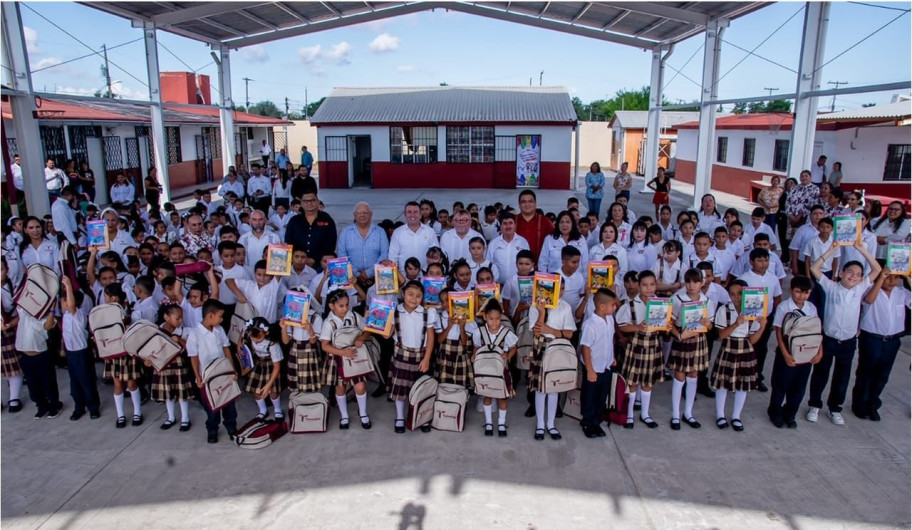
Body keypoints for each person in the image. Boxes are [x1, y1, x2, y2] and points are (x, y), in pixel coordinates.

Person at [806, 240, 881, 426]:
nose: (854, 277)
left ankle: (835, 408)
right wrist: (834, 249)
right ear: (840, 273)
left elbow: (877, 269)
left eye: (858, 275)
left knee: (842, 376)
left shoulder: (860, 288)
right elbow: (815, 268)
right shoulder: (831, 287)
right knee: (820, 373)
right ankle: (814, 405)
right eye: (850, 273)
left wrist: (861, 249)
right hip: (828, 339)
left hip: (847, 342)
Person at [851, 264, 909, 422]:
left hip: (892, 340)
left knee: (882, 375)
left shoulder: (901, 293)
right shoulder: (871, 290)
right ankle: (859, 405)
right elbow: (869, 301)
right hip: (872, 339)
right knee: (865, 373)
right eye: (888, 277)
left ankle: (873, 405)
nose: (891, 281)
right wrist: (881, 277)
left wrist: (908, 276)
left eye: (896, 277)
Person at [710, 280, 766, 432]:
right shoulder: (724, 310)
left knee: (743, 384)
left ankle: (736, 416)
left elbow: (753, 339)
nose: (736, 298)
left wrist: (762, 327)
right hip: (729, 346)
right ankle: (720, 415)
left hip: (745, 348)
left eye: (740, 294)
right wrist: (736, 323)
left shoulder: (754, 310)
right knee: (723, 383)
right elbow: (721, 335)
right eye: (732, 294)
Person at [767, 276, 821, 429]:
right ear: (791, 290)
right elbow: (778, 331)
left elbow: (816, 331)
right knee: (780, 385)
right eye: (798, 292)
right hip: (787, 352)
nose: (801, 296)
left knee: (799, 388)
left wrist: (819, 352)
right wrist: (785, 354)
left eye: (805, 293)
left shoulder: (811, 308)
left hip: (806, 354)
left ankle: (790, 415)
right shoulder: (784, 307)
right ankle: (775, 413)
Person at [668, 268, 715, 430]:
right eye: (688, 281)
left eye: (695, 281)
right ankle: (675, 414)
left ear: (702, 283)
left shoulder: (707, 301)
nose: (691, 285)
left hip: (698, 339)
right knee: (679, 375)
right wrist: (679, 336)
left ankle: (688, 413)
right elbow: (670, 323)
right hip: (683, 338)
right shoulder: (678, 299)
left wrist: (707, 324)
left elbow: (710, 325)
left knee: (693, 374)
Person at [320, 289, 373, 430]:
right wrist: (342, 352)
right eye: (341, 306)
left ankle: (362, 413)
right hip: (338, 357)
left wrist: (362, 338)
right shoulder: (328, 322)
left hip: (354, 355)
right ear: (331, 306)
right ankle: (344, 415)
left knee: (360, 386)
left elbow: (367, 329)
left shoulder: (354, 316)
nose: (345, 309)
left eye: (346, 305)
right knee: (340, 387)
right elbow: (324, 345)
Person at [528, 284, 576, 438]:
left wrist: (551, 331)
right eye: (556, 289)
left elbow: (569, 334)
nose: (559, 292)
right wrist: (542, 312)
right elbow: (536, 331)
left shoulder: (565, 307)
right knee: (541, 389)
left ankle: (551, 424)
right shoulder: (535, 306)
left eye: (562, 288)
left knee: (554, 387)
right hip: (540, 347)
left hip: (557, 347)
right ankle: (540, 424)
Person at [187, 299, 238, 443]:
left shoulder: (219, 330)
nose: (221, 319)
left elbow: (226, 349)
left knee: (229, 404)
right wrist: (197, 376)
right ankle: (212, 429)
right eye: (220, 316)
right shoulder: (195, 334)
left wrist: (232, 369)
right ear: (210, 315)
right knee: (212, 408)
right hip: (207, 377)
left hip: (223, 373)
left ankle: (231, 427)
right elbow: (194, 357)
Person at [737, 248, 782, 392]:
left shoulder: (773, 278)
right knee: (744, 348)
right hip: (747, 320)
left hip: (765, 319)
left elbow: (777, 298)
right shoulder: (744, 278)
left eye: (766, 260)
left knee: (762, 348)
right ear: (751, 262)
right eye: (759, 260)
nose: (763, 264)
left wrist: (775, 317)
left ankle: (757, 376)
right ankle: (740, 377)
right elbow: (737, 300)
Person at [472, 299, 518, 438]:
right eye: (491, 319)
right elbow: (476, 347)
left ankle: (501, 423)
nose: (494, 322)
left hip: (501, 371)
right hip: (485, 371)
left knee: (502, 398)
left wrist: (508, 355)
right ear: (485, 317)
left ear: (501, 318)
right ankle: (488, 423)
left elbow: (514, 347)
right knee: (488, 396)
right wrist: (474, 355)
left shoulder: (506, 332)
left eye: (497, 319)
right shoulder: (479, 332)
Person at [579, 288, 618, 438]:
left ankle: (596, 421)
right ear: (602, 306)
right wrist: (590, 369)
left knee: (602, 396)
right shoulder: (590, 324)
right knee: (590, 396)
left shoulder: (610, 319)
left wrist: (612, 356)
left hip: (606, 365)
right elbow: (586, 347)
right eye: (612, 305)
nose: (615, 308)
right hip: (593, 367)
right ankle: (587, 422)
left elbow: (610, 340)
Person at [152, 303, 193, 431]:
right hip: (164, 365)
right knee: (167, 393)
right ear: (166, 317)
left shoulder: (184, 331)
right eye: (177, 318)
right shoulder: (157, 331)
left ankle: (185, 419)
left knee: (182, 393)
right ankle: (171, 417)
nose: (180, 321)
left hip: (179, 365)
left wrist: (180, 340)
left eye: (181, 318)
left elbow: (191, 348)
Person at [240, 317, 285, 421]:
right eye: (252, 337)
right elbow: (242, 334)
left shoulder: (273, 345)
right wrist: (239, 344)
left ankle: (277, 409)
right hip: (258, 365)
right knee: (256, 391)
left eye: (259, 337)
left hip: (271, 367)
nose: (255, 340)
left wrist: (269, 384)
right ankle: (263, 410)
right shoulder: (248, 335)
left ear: (266, 333)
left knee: (273, 391)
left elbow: (277, 366)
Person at [285, 189, 338, 271]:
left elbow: (331, 243)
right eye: (306, 201)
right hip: (298, 264)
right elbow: (288, 242)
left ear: (318, 202)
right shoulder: (294, 221)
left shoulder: (327, 219)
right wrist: (301, 259)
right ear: (301, 203)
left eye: (312, 200)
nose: (309, 203)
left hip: (320, 264)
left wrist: (314, 259)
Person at [280, 298, 324, 393]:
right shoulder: (289, 317)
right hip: (295, 349)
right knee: (295, 381)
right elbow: (286, 341)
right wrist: (283, 328)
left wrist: (310, 329)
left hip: (310, 350)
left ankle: (312, 403)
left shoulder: (314, 317)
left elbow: (313, 342)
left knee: (311, 380)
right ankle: (298, 403)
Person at [388, 202, 439, 276]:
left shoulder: (430, 231)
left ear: (420, 215)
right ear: (405, 215)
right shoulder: (397, 232)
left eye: (415, 212)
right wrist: (397, 276)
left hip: (425, 275)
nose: (412, 215)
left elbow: (435, 255)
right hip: (404, 276)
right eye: (409, 212)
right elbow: (393, 256)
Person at [515, 190, 554, 261]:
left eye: (530, 201)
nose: (527, 204)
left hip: (539, 268)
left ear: (535, 204)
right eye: (523, 202)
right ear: (519, 204)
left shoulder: (545, 222)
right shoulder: (513, 221)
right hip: (516, 268)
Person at [786, 170, 822, 237]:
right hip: (792, 218)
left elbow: (815, 204)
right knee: (791, 240)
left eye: (806, 176)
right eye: (802, 176)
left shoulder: (815, 189)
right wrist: (792, 216)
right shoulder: (794, 188)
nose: (804, 178)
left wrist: (799, 216)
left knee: (803, 237)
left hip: (806, 218)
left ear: (810, 177)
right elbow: (788, 202)